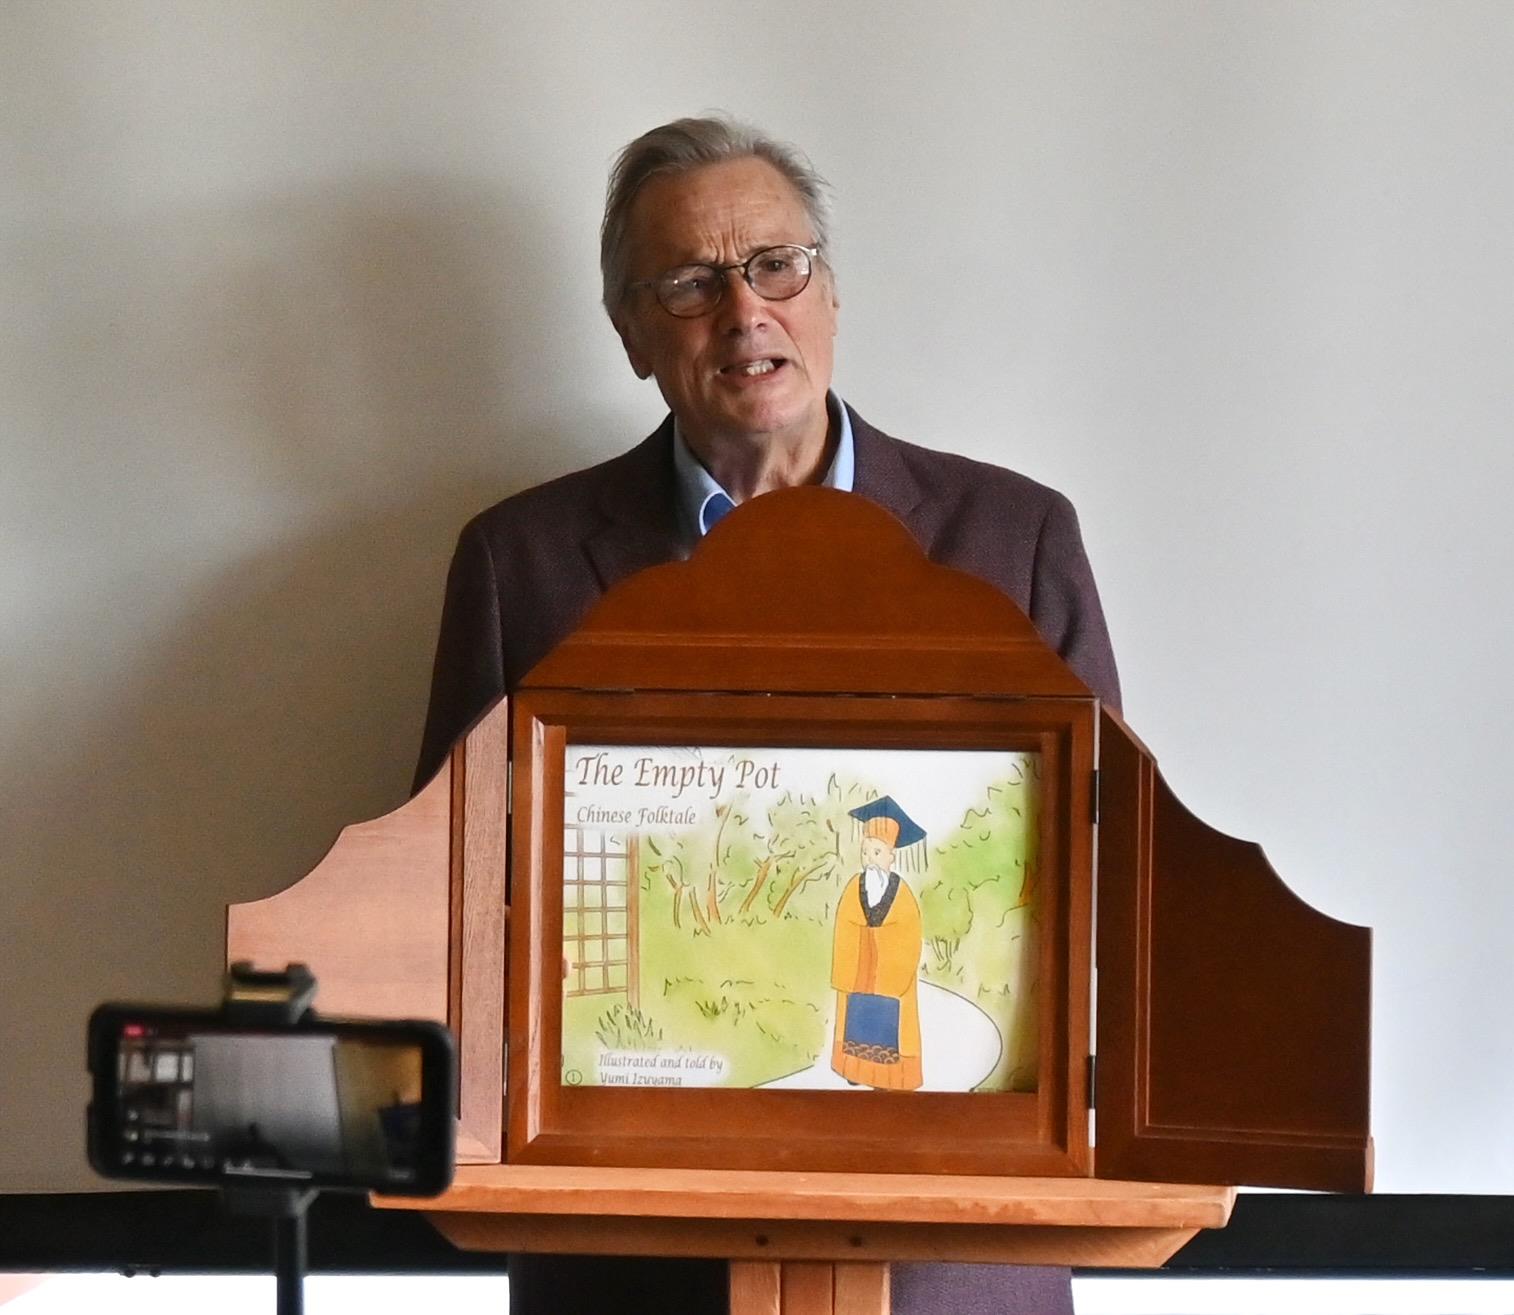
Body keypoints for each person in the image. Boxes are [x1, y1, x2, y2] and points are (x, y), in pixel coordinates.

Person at [415, 115, 1109, 1315]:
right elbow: (446, 900)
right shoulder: (517, 562)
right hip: (622, 1260)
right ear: (631, 332)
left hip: (957, 1255)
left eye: (775, 265)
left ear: (828, 294)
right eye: (690, 282)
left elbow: (1107, 874)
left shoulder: (1014, 537)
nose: (744, 311)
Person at [832, 797, 926, 1091]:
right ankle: (854, 1069)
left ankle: (887, 1077)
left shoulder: (903, 894)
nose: (870, 859)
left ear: (891, 856)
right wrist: (864, 940)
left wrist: (879, 942)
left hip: (890, 978)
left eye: (877, 852)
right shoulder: (854, 887)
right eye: (865, 852)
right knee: (855, 1023)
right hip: (859, 973)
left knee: (890, 1027)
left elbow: (909, 933)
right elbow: (845, 925)